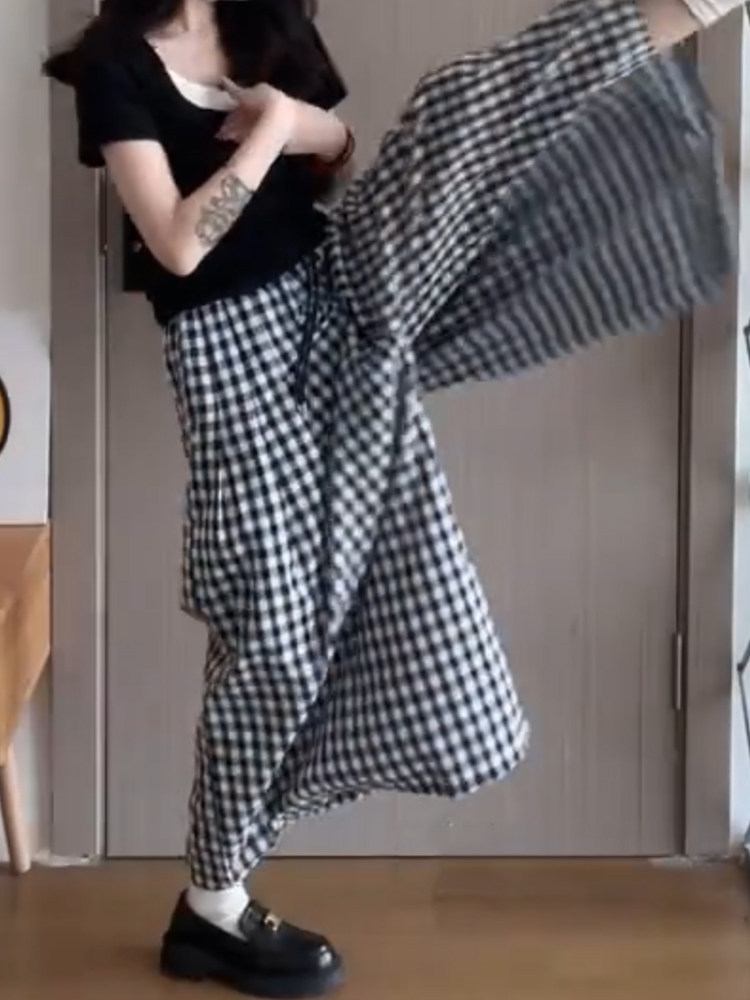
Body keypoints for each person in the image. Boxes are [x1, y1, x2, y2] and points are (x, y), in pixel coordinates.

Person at [44, 0, 739, 996]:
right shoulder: (118, 63)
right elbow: (179, 244)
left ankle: (690, 6)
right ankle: (214, 899)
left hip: (342, 290)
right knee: (274, 638)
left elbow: (342, 150)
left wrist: (301, 123)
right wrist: (274, 131)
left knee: (461, 105)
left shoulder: (260, 17)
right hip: (232, 353)